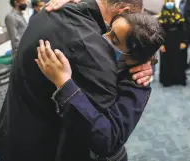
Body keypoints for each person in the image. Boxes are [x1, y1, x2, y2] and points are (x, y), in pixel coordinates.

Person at [0, 0, 155, 161]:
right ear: (124, 11)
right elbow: (106, 138)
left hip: (13, 127)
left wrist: (143, 59)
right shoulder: (89, 46)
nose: (105, 38)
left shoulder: (53, 9)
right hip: (39, 146)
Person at [34, 12, 161, 161]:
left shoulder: (136, 86)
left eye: (113, 38)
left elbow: (108, 139)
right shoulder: (108, 50)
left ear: (133, 57)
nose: (102, 38)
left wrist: (64, 84)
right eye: (108, 30)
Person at [159, 0, 187, 86]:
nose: (170, 3)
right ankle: (167, 80)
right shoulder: (162, 14)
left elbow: (183, 29)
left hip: (177, 40)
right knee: (167, 61)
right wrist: (161, 44)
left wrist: (184, 41)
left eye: (171, 1)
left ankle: (178, 79)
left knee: (178, 60)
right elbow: (159, 31)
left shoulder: (178, 13)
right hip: (166, 41)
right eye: (168, 1)